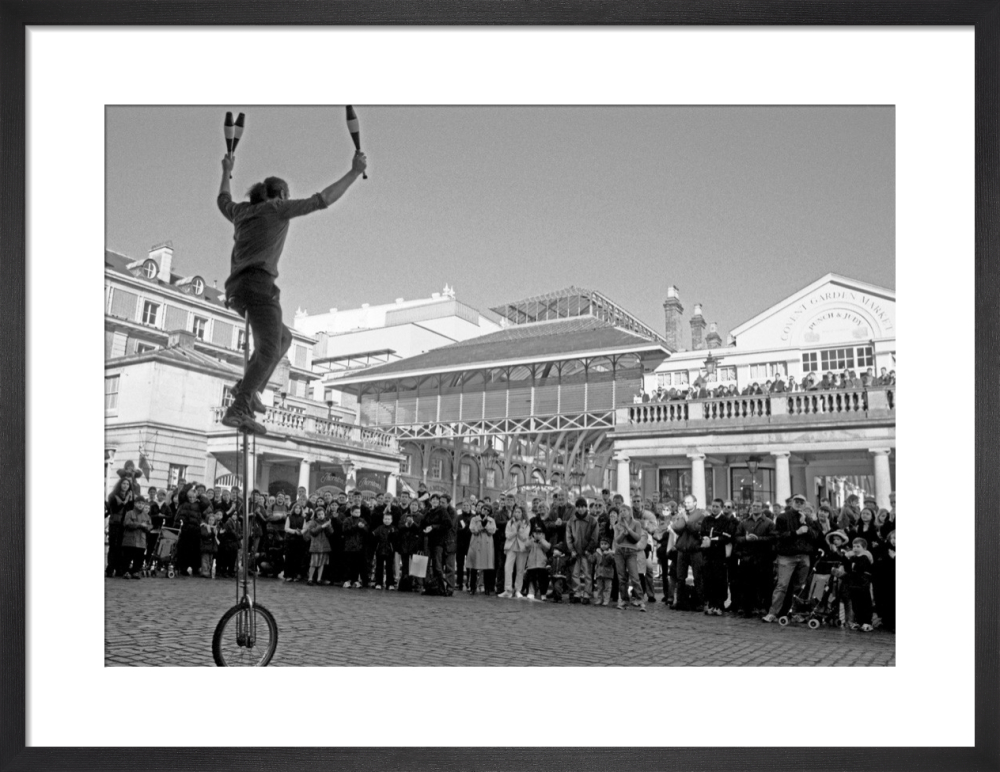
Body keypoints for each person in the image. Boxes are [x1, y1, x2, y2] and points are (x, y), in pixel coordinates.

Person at [217, 148, 368, 433]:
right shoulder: (276, 209)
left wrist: (226, 170)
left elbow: (222, 199)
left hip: (236, 291)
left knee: (283, 338)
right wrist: (353, 172)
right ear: (282, 195)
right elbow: (321, 200)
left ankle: (248, 389)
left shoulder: (240, 212)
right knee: (271, 347)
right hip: (259, 287)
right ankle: (238, 407)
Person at [762, 493, 823, 623]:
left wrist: (805, 524)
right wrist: (796, 532)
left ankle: (794, 612)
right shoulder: (783, 517)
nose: (799, 504)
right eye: (797, 501)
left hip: (804, 556)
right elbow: (778, 536)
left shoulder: (808, 519)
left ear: (805, 504)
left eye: (802, 502)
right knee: (782, 585)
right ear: (792, 502)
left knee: (800, 587)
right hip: (787, 556)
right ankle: (773, 612)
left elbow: (815, 537)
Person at [733, 501, 775, 618]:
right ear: (751, 508)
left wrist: (758, 539)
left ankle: (764, 608)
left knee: (764, 586)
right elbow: (736, 538)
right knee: (747, 586)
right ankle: (748, 609)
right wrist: (745, 539)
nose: (755, 508)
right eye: (754, 506)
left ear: (762, 509)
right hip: (747, 558)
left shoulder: (769, 523)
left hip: (763, 558)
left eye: (758, 506)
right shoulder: (744, 522)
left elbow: (773, 538)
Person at [672, 494, 708, 611]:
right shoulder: (683, 514)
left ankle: (700, 602)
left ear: (695, 503)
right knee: (680, 577)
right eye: (685, 502)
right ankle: (680, 601)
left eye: (689, 502)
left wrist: (686, 519)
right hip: (682, 549)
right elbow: (677, 528)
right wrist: (681, 518)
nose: (686, 505)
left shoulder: (702, 514)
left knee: (698, 576)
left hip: (695, 549)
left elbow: (696, 530)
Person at [701, 498, 735, 616]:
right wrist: (705, 539)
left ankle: (719, 605)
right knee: (708, 580)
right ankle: (710, 604)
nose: (714, 509)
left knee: (719, 580)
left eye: (717, 507)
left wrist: (713, 540)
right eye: (713, 506)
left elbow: (726, 537)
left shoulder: (725, 521)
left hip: (719, 555)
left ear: (721, 508)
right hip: (708, 555)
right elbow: (702, 533)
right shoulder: (706, 519)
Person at [565, 497, 598, 604]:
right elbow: (569, 537)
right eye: (578, 507)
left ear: (586, 507)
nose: (580, 509)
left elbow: (594, 537)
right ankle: (576, 593)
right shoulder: (571, 521)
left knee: (588, 574)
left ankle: (587, 594)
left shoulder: (592, 521)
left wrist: (588, 550)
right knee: (575, 573)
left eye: (583, 507)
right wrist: (572, 550)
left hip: (587, 552)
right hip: (575, 551)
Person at [613, 506, 646, 611]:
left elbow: (637, 537)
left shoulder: (636, 524)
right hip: (620, 552)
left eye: (624, 510)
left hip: (631, 552)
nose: (622, 512)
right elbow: (617, 540)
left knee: (634, 576)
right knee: (622, 577)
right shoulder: (617, 525)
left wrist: (628, 529)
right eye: (621, 511)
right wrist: (623, 533)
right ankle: (624, 600)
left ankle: (640, 599)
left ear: (629, 512)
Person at [500, 504, 531, 598]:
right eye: (515, 512)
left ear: (522, 513)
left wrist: (518, 530)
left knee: (520, 569)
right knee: (507, 568)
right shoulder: (510, 522)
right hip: (511, 547)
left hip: (522, 548)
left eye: (519, 512)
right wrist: (515, 531)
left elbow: (525, 537)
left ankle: (518, 590)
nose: (517, 514)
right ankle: (508, 590)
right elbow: (507, 535)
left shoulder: (527, 523)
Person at [106, 477, 135, 578]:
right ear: (120, 484)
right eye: (123, 484)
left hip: (125, 525)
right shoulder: (113, 496)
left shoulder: (130, 496)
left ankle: (119, 569)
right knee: (113, 547)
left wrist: (130, 500)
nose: (125, 486)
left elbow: (131, 510)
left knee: (122, 547)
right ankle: (110, 569)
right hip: (115, 524)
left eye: (127, 484)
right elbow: (114, 509)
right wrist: (125, 500)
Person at [466, 503, 497, 595]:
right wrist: (481, 526)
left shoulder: (491, 520)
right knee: (474, 567)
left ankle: (487, 588)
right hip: (476, 544)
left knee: (487, 568)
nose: (485, 511)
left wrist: (486, 525)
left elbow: (492, 531)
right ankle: (472, 587)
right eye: (484, 509)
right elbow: (473, 529)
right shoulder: (474, 519)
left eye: (488, 510)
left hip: (487, 545)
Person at [845, 537, 875, 632]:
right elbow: (848, 568)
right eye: (854, 546)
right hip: (854, 584)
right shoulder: (853, 558)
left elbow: (860, 567)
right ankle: (858, 621)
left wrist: (852, 557)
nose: (855, 548)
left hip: (863, 584)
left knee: (865, 603)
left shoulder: (864, 557)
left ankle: (867, 622)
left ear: (864, 548)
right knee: (856, 604)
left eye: (858, 546)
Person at [397, 499, 425, 592]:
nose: (413, 506)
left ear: (418, 507)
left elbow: (420, 530)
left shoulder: (421, 517)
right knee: (405, 565)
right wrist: (406, 525)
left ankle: (416, 584)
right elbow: (399, 528)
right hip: (405, 543)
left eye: (415, 505)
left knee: (415, 564)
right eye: (412, 504)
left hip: (415, 543)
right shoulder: (404, 516)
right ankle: (405, 583)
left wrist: (412, 524)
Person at [122, 498, 153, 579]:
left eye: (142, 503)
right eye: (139, 503)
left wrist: (147, 527)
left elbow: (150, 526)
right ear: (135, 503)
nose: (140, 505)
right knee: (127, 557)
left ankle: (135, 571)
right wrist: (139, 525)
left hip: (141, 541)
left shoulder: (146, 516)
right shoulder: (129, 513)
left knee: (139, 558)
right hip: (129, 540)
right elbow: (127, 523)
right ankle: (126, 572)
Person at [872, 530, 896, 632]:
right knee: (886, 602)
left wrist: (894, 558)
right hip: (884, 582)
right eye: (893, 538)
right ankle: (887, 622)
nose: (895, 541)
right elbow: (877, 565)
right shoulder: (882, 549)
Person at [341, 505, 369, 588]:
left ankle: (355, 580)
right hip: (349, 546)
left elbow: (367, 531)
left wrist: (363, 527)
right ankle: (347, 580)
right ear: (351, 512)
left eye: (359, 512)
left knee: (356, 565)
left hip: (359, 546)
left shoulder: (362, 520)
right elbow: (345, 530)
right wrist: (356, 527)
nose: (358, 513)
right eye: (356, 512)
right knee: (348, 564)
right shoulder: (347, 520)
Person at [304, 506, 333, 585]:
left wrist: (328, 525)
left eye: (322, 514)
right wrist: (322, 526)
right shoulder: (313, 522)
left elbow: (331, 533)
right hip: (316, 545)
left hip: (324, 545)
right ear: (316, 515)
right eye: (319, 514)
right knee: (314, 563)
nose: (321, 516)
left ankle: (319, 579)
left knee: (322, 563)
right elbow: (313, 532)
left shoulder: (326, 521)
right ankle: (310, 579)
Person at [523, 519, 551, 601]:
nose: (537, 535)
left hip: (541, 564)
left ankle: (543, 593)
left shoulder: (543, 541)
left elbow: (547, 547)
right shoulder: (531, 540)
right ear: (533, 533)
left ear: (542, 534)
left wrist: (541, 540)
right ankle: (531, 592)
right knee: (531, 579)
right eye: (536, 533)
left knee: (542, 580)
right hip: (531, 564)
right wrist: (531, 540)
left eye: (539, 533)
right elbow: (526, 547)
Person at [372, 511, 398, 590]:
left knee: (390, 568)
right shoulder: (379, 528)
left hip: (390, 550)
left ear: (391, 520)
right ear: (383, 519)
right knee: (379, 567)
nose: (387, 520)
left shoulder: (394, 528)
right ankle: (378, 582)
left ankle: (390, 583)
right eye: (385, 519)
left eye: (388, 519)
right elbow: (373, 535)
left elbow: (396, 538)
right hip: (380, 549)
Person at [284, 501, 308, 582]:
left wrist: (301, 532)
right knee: (289, 558)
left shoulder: (303, 518)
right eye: (296, 508)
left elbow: (305, 528)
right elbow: (286, 528)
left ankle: (296, 574)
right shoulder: (289, 517)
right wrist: (294, 531)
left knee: (298, 558)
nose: (297, 510)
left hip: (299, 540)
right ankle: (289, 575)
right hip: (290, 540)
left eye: (299, 508)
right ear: (293, 509)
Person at [592, 536, 616, 606]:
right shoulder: (597, 552)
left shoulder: (611, 553)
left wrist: (609, 555)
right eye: (602, 544)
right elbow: (592, 560)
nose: (603, 545)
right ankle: (599, 599)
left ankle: (606, 600)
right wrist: (588, 555)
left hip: (608, 573)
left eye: (605, 544)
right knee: (599, 587)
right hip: (599, 573)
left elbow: (613, 562)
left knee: (607, 587)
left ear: (609, 545)